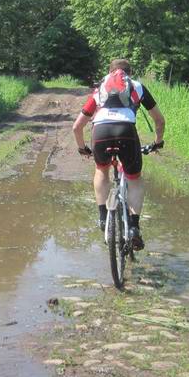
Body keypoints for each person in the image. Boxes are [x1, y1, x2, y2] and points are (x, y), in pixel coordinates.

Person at [72, 58, 165, 250]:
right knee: (134, 179)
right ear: (129, 73)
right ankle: (133, 228)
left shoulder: (100, 89)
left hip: (101, 132)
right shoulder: (137, 86)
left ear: (110, 72)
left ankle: (103, 217)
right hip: (126, 132)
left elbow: (77, 127)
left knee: (101, 170)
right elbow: (159, 120)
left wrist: (83, 148)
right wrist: (157, 143)